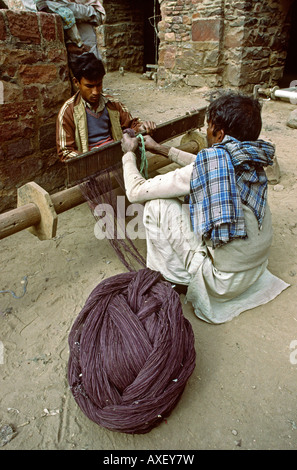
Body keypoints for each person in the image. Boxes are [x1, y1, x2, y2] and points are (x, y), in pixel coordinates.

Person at [120, 91, 289, 324]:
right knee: (188, 201)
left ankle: (171, 279)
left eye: (208, 128)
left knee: (156, 205)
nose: (205, 133)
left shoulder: (212, 164)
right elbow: (203, 165)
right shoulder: (251, 154)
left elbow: (135, 192)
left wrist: (128, 155)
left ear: (219, 134)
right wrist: (160, 149)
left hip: (223, 283)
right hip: (254, 272)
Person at [56, 52, 156, 161]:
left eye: (99, 85)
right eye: (89, 86)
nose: (95, 92)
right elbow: (65, 152)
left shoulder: (112, 103)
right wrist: (92, 159)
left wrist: (141, 127)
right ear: (76, 82)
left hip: (116, 156)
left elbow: (132, 124)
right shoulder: (68, 112)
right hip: (91, 163)